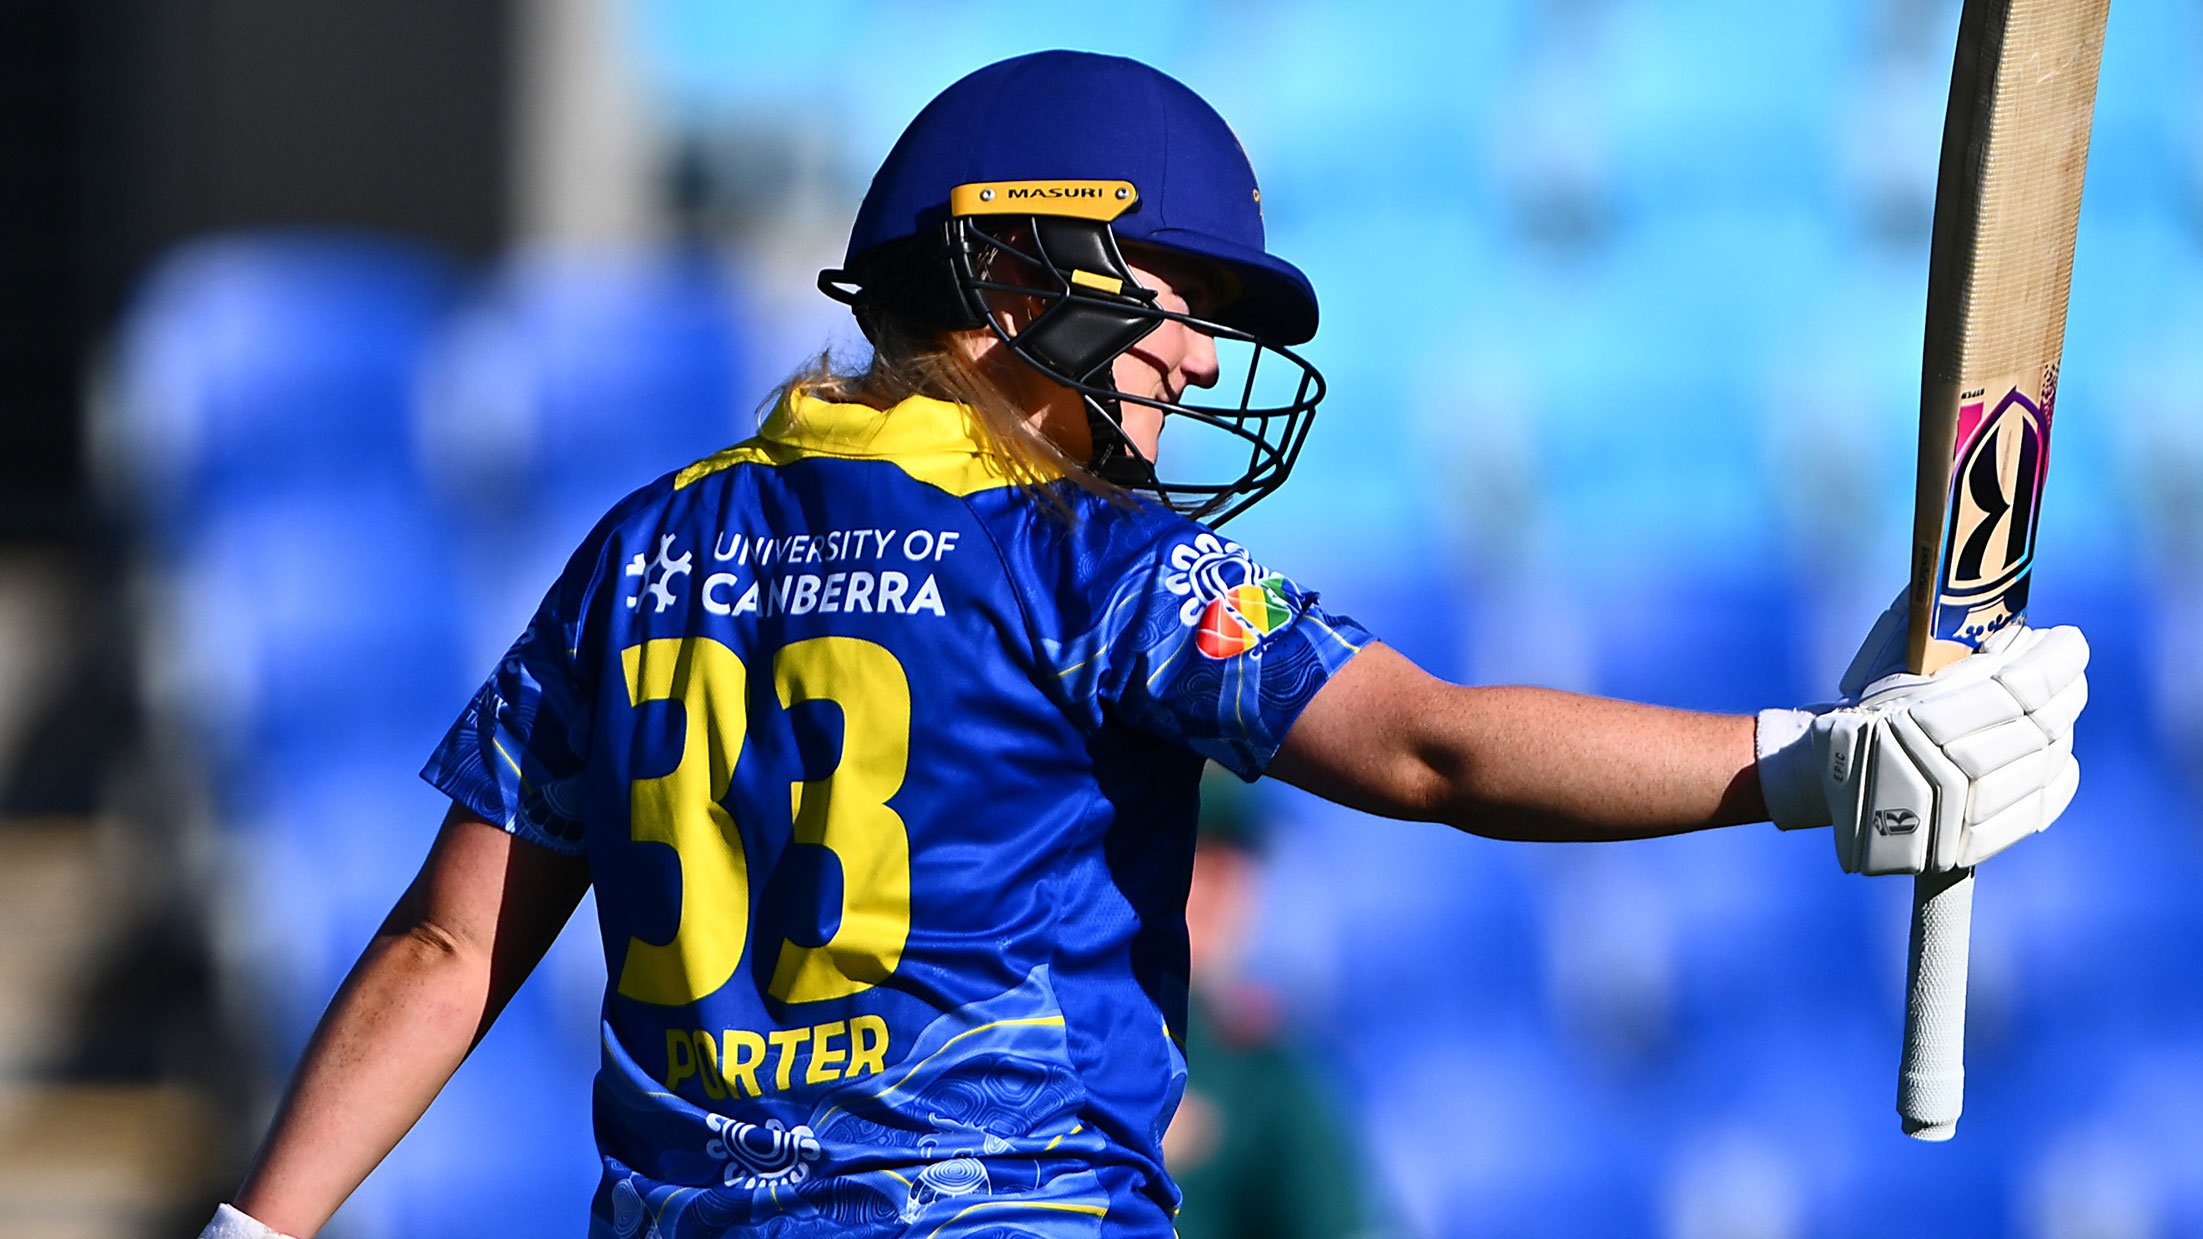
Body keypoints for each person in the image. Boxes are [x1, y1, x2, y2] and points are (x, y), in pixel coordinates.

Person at [199, 50, 2089, 1239]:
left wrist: (258, 1231)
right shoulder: (1095, 562)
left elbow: (450, 945)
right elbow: (1427, 746)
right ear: (1010, 262)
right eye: (1172, 293)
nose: (1193, 353)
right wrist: (1805, 762)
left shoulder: (641, 552)